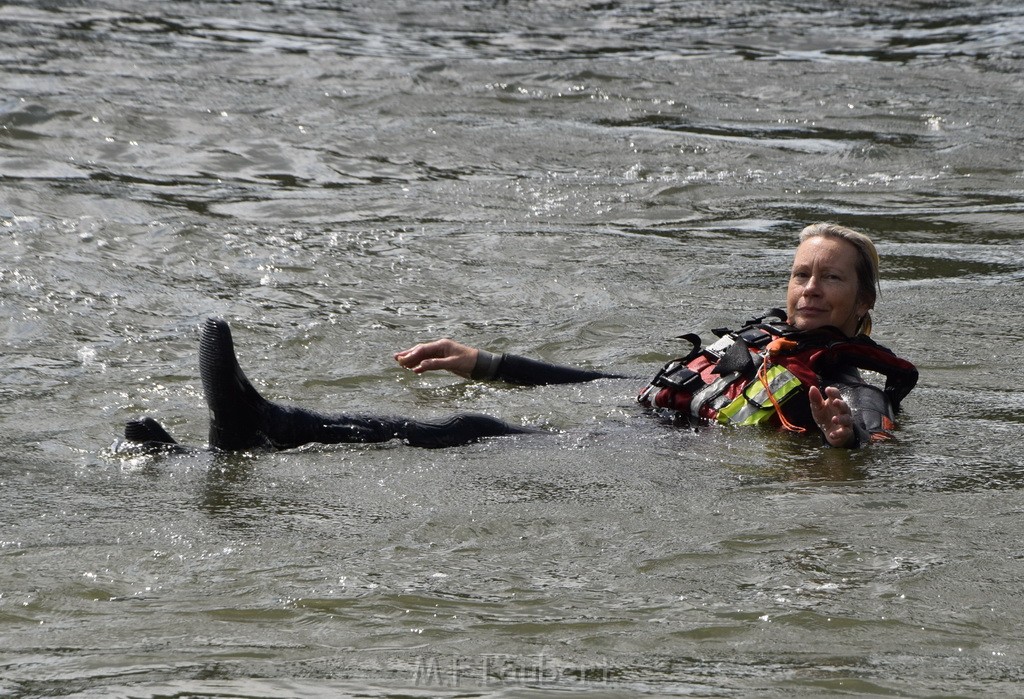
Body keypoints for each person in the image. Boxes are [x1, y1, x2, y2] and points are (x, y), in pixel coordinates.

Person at [121, 223, 916, 453]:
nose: (810, 287)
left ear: (861, 302)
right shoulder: (759, 346)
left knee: (477, 434)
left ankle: (264, 423)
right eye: (801, 274)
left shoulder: (851, 380)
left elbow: (866, 426)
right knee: (478, 412)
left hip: (663, 471)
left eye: (831, 278)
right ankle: (237, 440)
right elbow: (614, 381)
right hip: (640, 429)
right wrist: (487, 361)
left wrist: (844, 440)